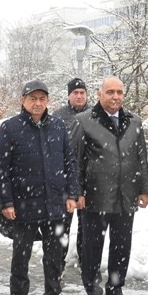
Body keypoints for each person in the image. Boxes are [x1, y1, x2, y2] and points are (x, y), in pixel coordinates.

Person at [0, 80, 79, 295]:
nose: (38, 103)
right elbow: (1, 169)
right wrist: (6, 202)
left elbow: (69, 162)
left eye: (42, 98)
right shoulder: (10, 128)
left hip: (55, 203)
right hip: (24, 205)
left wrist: (72, 194)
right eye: (33, 98)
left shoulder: (58, 126)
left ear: (48, 101)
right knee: (21, 257)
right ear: (23, 100)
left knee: (54, 256)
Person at [74, 76, 148, 295]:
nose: (115, 96)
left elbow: (141, 158)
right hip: (95, 196)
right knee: (92, 247)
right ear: (99, 94)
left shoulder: (134, 121)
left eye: (119, 92)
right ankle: (93, 292)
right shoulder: (84, 121)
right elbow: (75, 161)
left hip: (125, 196)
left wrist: (144, 189)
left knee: (121, 245)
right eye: (110, 92)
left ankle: (115, 290)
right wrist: (77, 191)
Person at [52, 77, 88, 272]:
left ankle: (85, 262)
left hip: (90, 179)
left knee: (87, 227)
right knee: (63, 227)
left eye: (82, 92)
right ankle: (58, 265)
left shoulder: (94, 115)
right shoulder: (58, 117)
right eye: (76, 93)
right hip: (65, 179)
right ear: (69, 95)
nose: (79, 96)